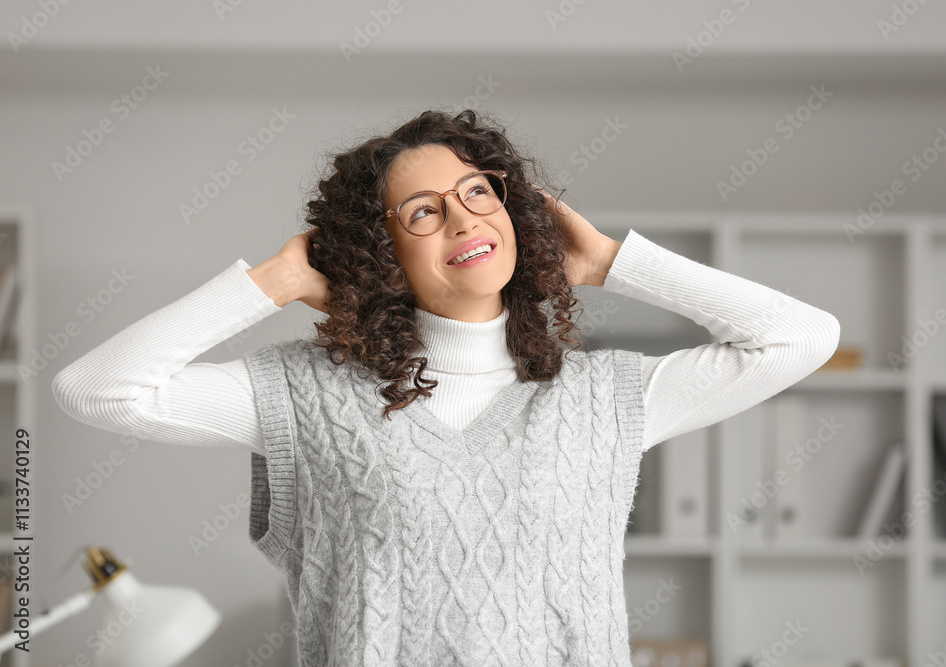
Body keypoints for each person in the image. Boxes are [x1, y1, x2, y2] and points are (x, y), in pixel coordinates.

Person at [52, 108, 841, 666]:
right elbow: (98, 389)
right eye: (422, 212)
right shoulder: (304, 397)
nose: (464, 220)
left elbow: (802, 337)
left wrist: (611, 264)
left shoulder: (607, 397)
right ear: (379, 252)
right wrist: (276, 280)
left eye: (478, 192)